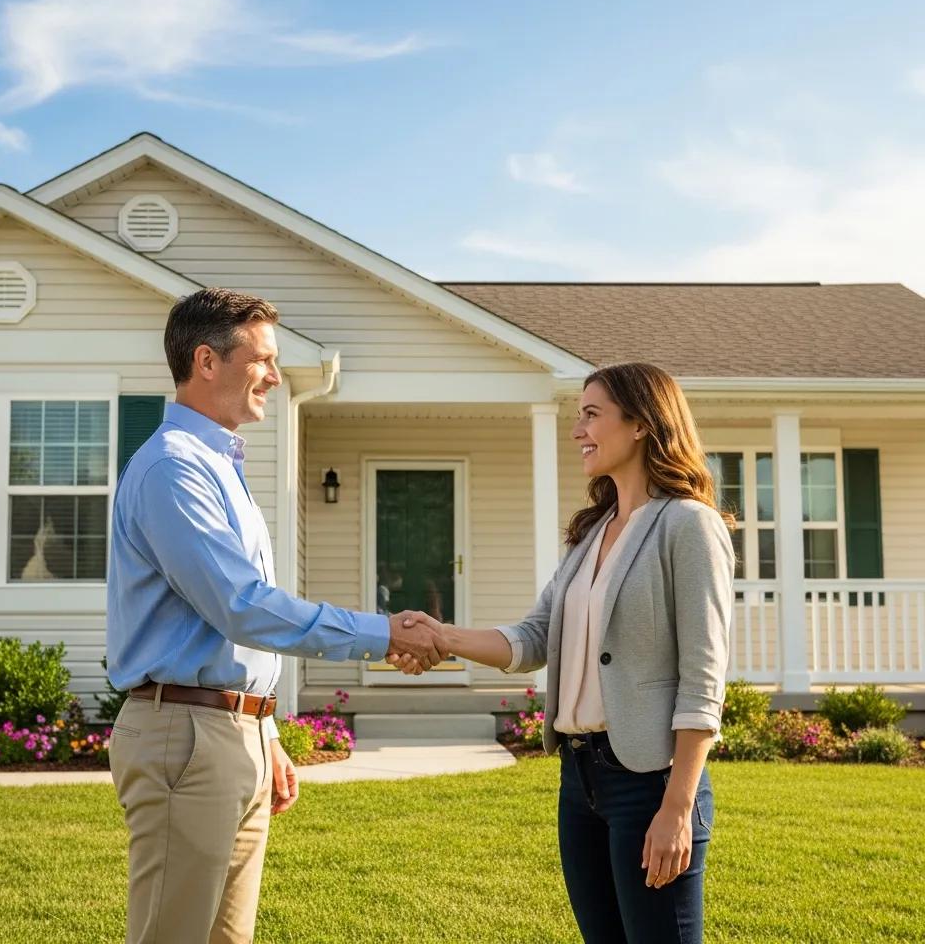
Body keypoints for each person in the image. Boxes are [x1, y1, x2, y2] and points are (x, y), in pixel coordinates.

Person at [107, 288, 443, 944]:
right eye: (262, 359)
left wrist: (263, 733)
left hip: (228, 734)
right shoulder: (173, 471)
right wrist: (381, 632)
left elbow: (230, 622)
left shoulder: (217, 466)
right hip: (187, 738)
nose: (275, 376)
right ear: (207, 361)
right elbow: (241, 606)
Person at [392, 362, 734, 944]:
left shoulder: (687, 525)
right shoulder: (591, 533)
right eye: (579, 416)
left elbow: (703, 677)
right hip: (580, 781)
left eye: (592, 415)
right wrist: (440, 635)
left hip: (650, 782)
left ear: (641, 424)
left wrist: (677, 807)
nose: (578, 430)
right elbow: (534, 637)